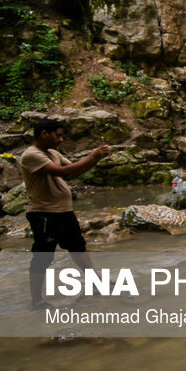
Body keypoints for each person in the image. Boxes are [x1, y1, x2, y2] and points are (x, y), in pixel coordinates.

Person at [19, 118, 112, 309]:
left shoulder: (51, 152)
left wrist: (96, 158)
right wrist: (93, 156)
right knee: (42, 256)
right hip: (44, 213)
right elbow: (64, 172)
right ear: (44, 134)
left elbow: (75, 171)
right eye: (58, 135)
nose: (61, 139)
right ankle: (36, 300)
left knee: (78, 247)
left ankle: (96, 281)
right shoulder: (31, 155)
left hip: (63, 211)